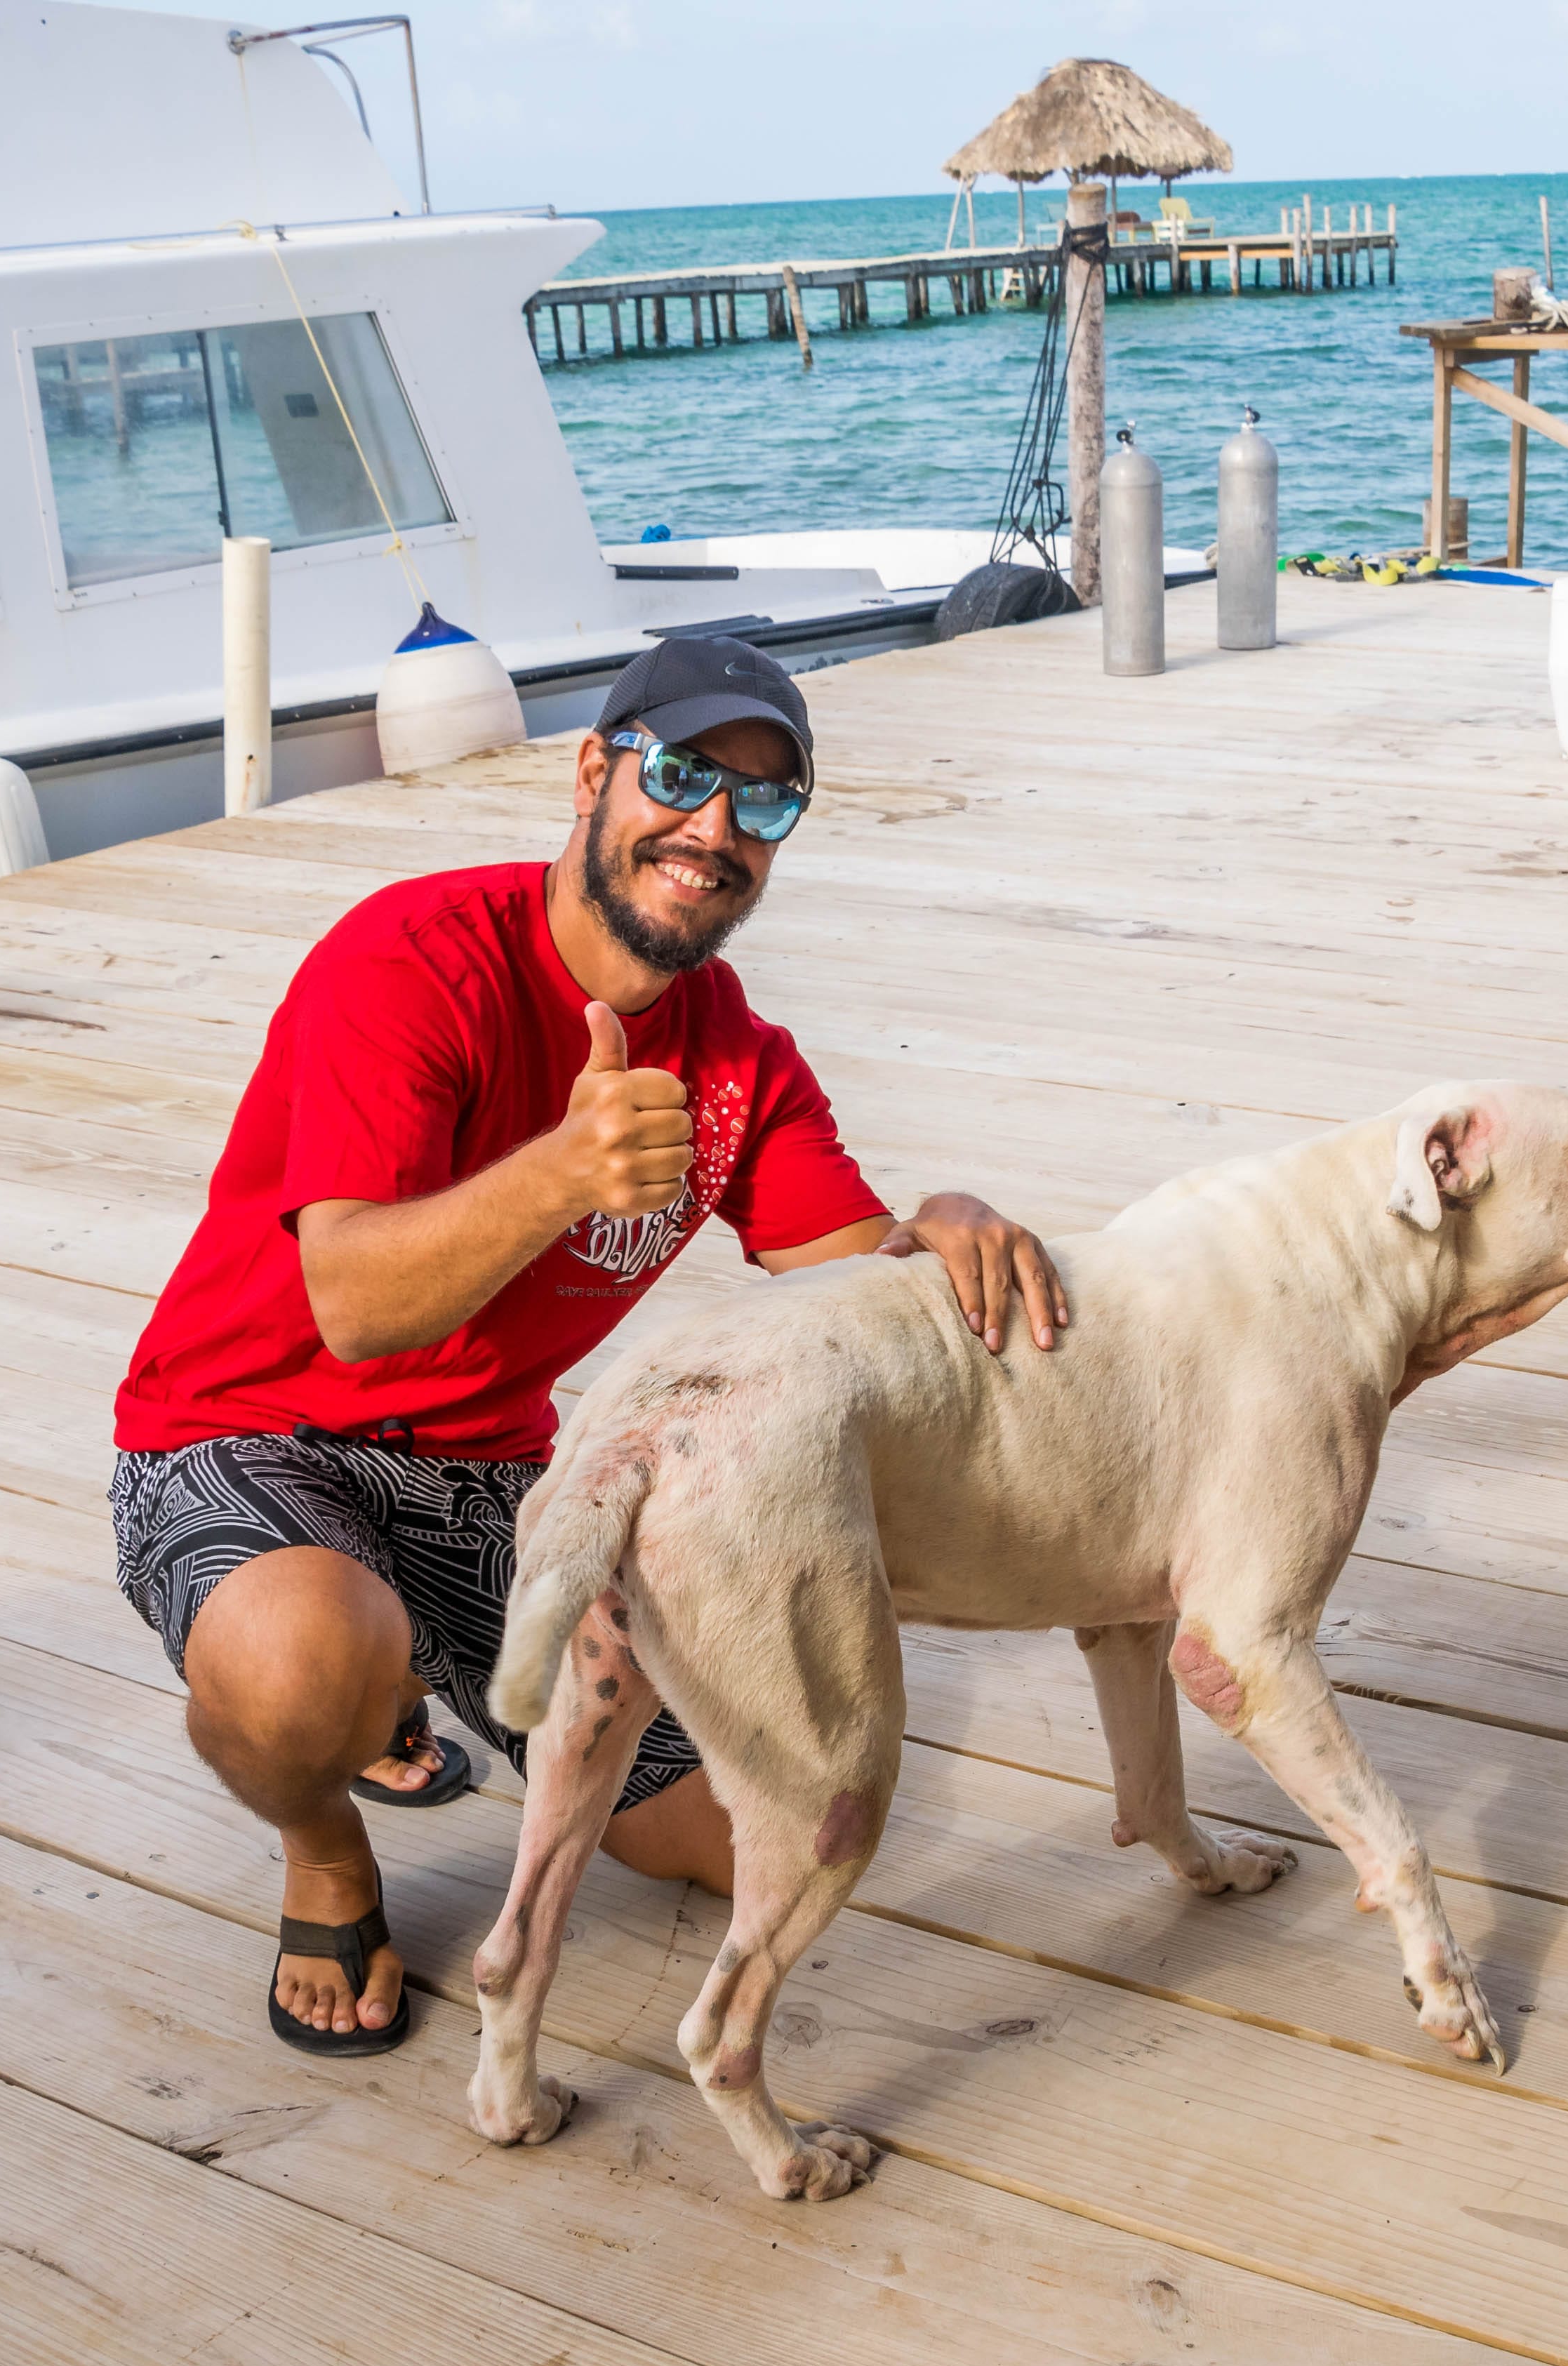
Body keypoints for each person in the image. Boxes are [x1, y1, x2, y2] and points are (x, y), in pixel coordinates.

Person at [109, 635, 1066, 2054]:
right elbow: (355, 1307)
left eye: (766, 801)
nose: (716, 827)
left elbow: (861, 1285)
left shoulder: (740, 1058)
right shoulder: (410, 960)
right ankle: (326, 1839)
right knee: (303, 1671)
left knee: (741, 1836)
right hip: (246, 1430)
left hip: (492, 1479)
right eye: (681, 776)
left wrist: (947, 1226)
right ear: (590, 774)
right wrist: (563, 1171)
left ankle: (406, 1671)